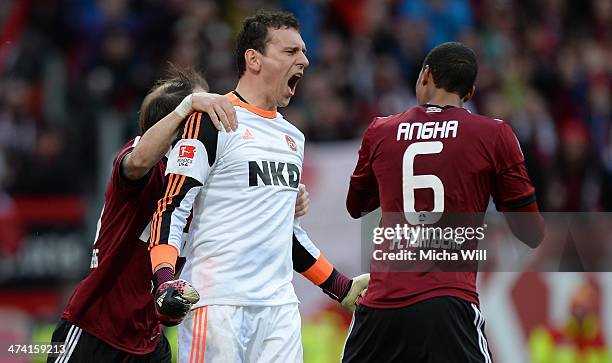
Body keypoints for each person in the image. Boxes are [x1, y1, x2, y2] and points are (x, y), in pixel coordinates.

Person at [148, 10, 368, 363]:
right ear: (254, 59)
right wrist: (164, 279)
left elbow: (285, 233)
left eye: (304, 51)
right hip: (218, 304)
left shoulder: (292, 138)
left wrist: (339, 286)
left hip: (279, 309)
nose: (305, 60)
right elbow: (172, 206)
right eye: (291, 52)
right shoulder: (211, 118)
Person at [343, 42, 545, 362]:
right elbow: (531, 232)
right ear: (469, 92)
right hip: (448, 304)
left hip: (382, 305)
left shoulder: (380, 130)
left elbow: (356, 206)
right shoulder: (494, 134)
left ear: (426, 75)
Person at [46, 68, 241, 363]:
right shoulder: (144, 158)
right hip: (95, 329)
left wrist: (289, 203)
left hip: (149, 338)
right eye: (204, 108)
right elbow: (137, 163)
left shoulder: (198, 181)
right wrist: (187, 106)